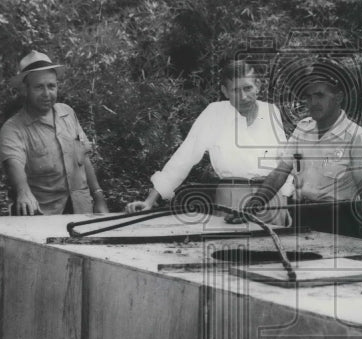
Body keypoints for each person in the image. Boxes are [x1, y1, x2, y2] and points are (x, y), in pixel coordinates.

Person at [125, 60, 292, 220]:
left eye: (248, 88)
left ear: (258, 86)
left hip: (272, 200)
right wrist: (149, 201)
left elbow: (285, 161)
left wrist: (284, 197)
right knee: (232, 248)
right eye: (235, 90)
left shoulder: (271, 111)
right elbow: (183, 158)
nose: (243, 96)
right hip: (231, 200)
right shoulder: (214, 114)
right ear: (225, 91)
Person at [249, 59, 362, 210]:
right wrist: (254, 203)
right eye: (308, 97)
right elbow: (280, 173)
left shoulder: (355, 136)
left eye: (320, 95)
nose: (313, 102)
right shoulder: (302, 130)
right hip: (301, 214)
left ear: (339, 98)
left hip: (337, 220)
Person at [0, 50, 109, 216]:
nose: (46, 94)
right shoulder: (13, 128)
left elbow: (83, 157)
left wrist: (99, 197)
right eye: (38, 87)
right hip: (40, 214)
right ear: (25, 90)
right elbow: (13, 163)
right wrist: (23, 192)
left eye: (51, 86)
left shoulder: (68, 113)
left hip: (81, 210)